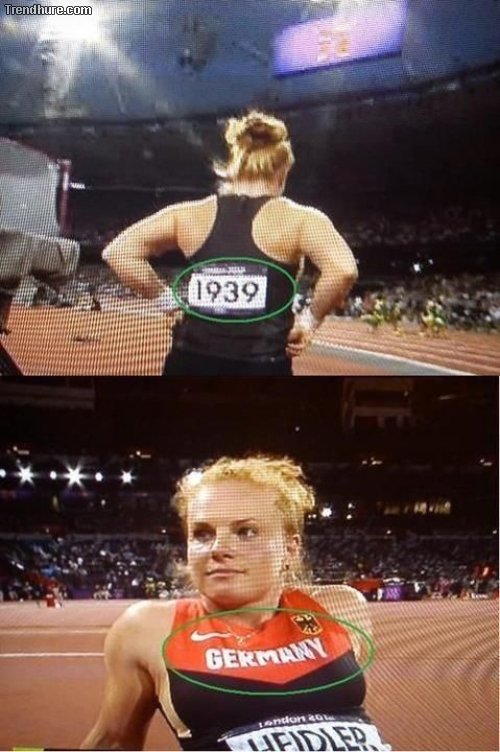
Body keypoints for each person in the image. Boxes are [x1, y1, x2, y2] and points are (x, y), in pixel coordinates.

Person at [81, 455, 389, 751]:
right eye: (202, 534)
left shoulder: (339, 607)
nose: (218, 548)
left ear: (290, 548)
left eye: (246, 531)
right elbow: (114, 742)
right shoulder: (147, 629)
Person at [101, 111, 358, 375]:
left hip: (190, 362)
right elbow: (343, 269)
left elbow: (118, 252)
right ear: (283, 171)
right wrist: (309, 322)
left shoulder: (187, 214)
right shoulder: (302, 219)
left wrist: (167, 301)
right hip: (261, 366)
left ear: (234, 167)